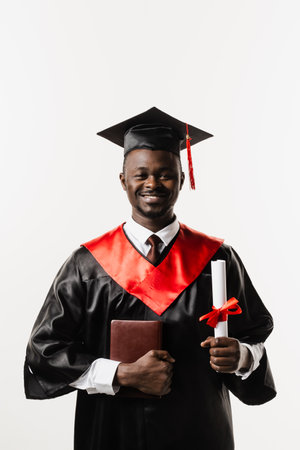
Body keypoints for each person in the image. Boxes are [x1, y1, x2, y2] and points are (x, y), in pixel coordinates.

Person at [24, 107, 276, 450]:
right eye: (140, 174)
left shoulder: (217, 257)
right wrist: (121, 374)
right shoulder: (88, 264)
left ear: (182, 180)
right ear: (123, 180)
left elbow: (253, 337)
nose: (152, 183)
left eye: (165, 174)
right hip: (111, 432)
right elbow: (45, 351)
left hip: (199, 431)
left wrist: (242, 357)